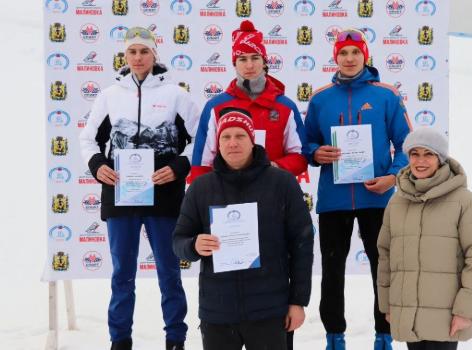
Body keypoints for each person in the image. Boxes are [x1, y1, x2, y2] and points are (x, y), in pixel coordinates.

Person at [79, 27, 200, 350]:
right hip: (121, 193)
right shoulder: (109, 95)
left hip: (164, 194)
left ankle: (175, 338)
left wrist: (177, 168)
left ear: (154, 55)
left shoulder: (176, 95)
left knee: (169, 272)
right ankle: (120, 340)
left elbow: (199, 141)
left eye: (144, 51)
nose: (137, 58)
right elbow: (88, 138)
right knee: (122, 274)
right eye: (132, 52)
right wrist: (97, 165)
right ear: (124, 55)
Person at [304, 28, 411, 350]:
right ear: (335, 57)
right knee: (332, 271)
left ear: (365, 55)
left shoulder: (386, 95)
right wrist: (315, 153)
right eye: (343, 53)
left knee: (383, 269)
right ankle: (334, 336)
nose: (349, 59)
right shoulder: (321, 98)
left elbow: (406, 145)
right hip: (334, 200)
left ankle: (384, 334)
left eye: (355, 52)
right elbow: (306, 143)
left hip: (376, 197)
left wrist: (392, 177)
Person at [172, 109, 314, 350]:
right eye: (226, 137)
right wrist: (193, 245)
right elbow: (179, 241)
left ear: (252, 140)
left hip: (269, 310)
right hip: (217, 312)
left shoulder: (281, 183)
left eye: (240, 136)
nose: (233, 143)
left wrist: (298, 302)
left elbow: (302, 244)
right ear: (218, 143)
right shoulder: (201, 187)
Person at [377, 128, 472, 350]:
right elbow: (385, 256)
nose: (420, 161)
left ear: (440, 159)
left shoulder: (464, 202)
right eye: (414, 154)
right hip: (408, 314)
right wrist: (388, 305)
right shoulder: (397, 203)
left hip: (446, 319)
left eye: (428, 154)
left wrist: (466, 311)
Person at [191, 20, 308, 180]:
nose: (250, 65)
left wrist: (274, 168)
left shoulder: (285, 106)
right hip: (228, 196)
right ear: (235, 63)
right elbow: (201, 162)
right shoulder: (215, 107)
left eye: (255, 58)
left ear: (264, 61)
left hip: (272, 194)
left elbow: (300, 157)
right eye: (243, 59)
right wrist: (202, 198)